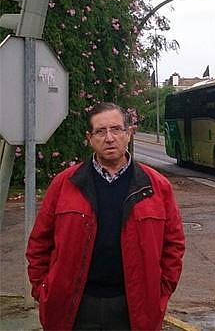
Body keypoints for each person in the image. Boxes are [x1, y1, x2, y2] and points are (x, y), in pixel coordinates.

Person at [26, 102, 185, 330]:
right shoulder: (65, 184)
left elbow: (174, 245)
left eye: (116, 129)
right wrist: (43, 289)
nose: (109, 138)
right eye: (100, 131)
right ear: (89, 138)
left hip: (134, 308)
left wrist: (161, 290)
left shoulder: (157, 187)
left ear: (128, 134)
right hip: (75, 307)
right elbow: (39, 243)